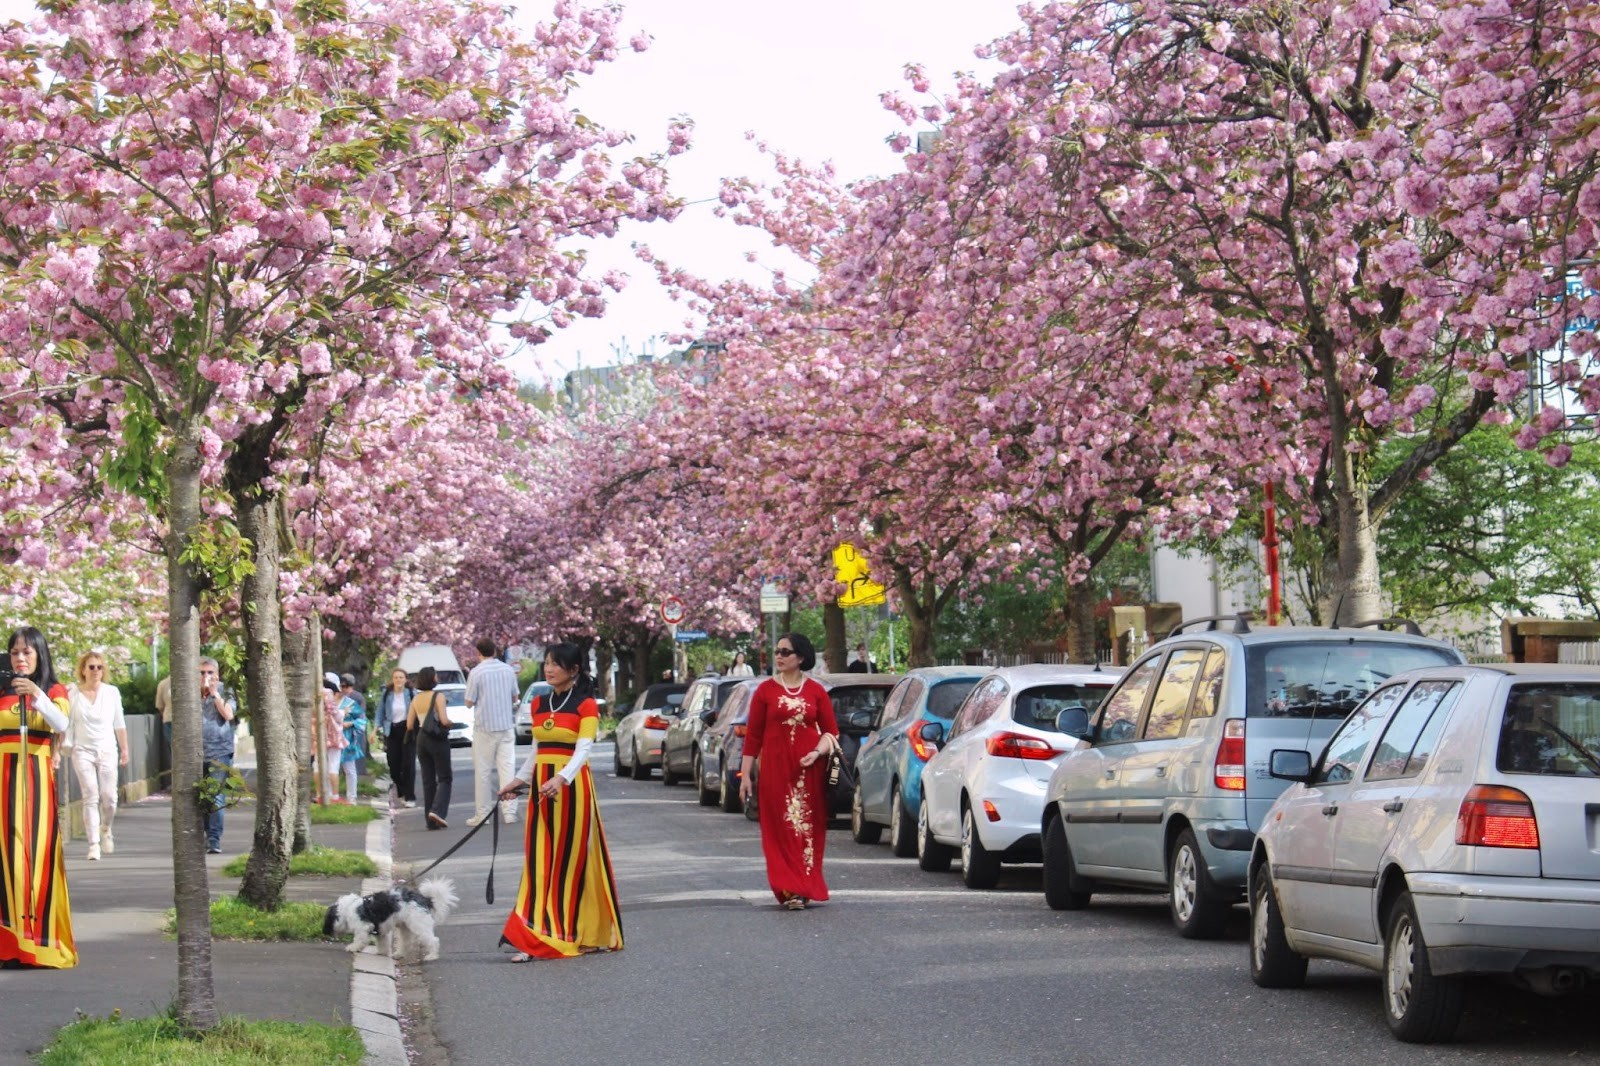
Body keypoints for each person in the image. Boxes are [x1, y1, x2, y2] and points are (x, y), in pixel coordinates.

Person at [497, 642, 623, 960]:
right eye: (547, 663)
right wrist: (519, 780)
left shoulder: (587, 705)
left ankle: (566, 933)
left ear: (573, 670)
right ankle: (533, 935)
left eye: (555, 664)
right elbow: (538, 750)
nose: (548, 669)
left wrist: (562, 778)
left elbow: (583, 750)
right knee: (539, 862)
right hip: (542, 789)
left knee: (568, 864)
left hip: (572, 790)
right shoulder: (539, 703)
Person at [740, 633, 839, 910]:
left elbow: (832, 732)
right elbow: (753, 738)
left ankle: (805, 886)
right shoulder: (765, 692)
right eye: (777, 651)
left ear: (801, 658)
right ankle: (789, 889)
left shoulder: (816, 691)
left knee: (807, 831)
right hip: (774, 772)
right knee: (780, 830)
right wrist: (745, 775)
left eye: (786, 652)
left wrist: (817, 752)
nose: (779, 656)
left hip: (809, 771)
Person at [1, 627, 75, 968]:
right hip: (3, 781)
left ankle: (39, 943)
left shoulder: (54, 690)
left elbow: (61, 723)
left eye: (27, 652)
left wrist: (36, 695)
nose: (20, 658)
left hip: (35, 784)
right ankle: (8, 945)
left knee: (33, 860)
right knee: (5, 862)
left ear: (39, 655)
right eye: (15, 652)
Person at [65, 651, 129, 861]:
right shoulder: (73, 694)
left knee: (110, 798)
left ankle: (106, 828)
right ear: (83, 670)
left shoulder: (111, 692)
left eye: (99, 667)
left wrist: (125, 749)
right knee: (90, 795)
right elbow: (66, 722)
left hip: (107, 749)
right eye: (91, 667)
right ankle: (93, 844)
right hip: (82, 750)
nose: (95, 671)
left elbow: (119, 723)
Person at [464, 638, 519, 828]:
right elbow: (515, 696)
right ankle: (510, 812)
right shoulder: (508, 670)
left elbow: (469, 701)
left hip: (484, 728)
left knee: (483, 772)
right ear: (495, 651)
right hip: (506, 726)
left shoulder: (476, 673)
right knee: (508, 770)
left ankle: (483, 814)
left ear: (478, 652)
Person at [200, 657, 238, 854]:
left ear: (217, 675)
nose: (205, 677)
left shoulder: (225, 691)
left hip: (219, 751)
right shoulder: (189, 692)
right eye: (201, 673)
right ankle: (206, 834)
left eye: (209, 673)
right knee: (202, 798)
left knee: (215, 796)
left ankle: (214, 839)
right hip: (196, 754)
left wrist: (214, 694)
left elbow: (229, 715)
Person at [407, 666, 453, 829]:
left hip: (421, 739)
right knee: (445, 778)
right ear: (432, 679)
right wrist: (450, 724)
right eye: (436, 676)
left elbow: (409, 724)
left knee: (428, 781)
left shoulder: (416, 699)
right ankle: (437, 811)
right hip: (436, 740)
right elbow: (443, 719)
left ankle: (430, 821)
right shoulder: (438, 696)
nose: (437, 678)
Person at [379, 668, 417, 808]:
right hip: (392, 731)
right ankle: (401, 790)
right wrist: (375, 729)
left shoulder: (412, 693)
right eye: (396, 677)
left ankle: (410, 796)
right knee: (393, 765)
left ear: (405, 679)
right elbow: (380, 712)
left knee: (408, 765)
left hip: (408, 730)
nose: (398, 680)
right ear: (392, 679)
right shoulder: (387, 694)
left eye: (401, 677)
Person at [337, 675, 368, 804]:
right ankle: (332, 797)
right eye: (342, 686)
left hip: (348, 738)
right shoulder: (328, 702)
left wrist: (349, 724)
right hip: (331, 739)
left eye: (346, 686)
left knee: (349, 769)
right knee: (331, 769)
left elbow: (362, 720)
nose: (343, 689)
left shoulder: (352, 702)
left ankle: (352, 797)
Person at [319, 672, 347, 804]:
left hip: (317, 734)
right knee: (333, 765)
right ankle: (334, 796)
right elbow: (334, 713)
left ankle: (320, 794)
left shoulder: (313, 691)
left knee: (317, 765)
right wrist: (344, 713)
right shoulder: (328, 693)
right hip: (332, 735)